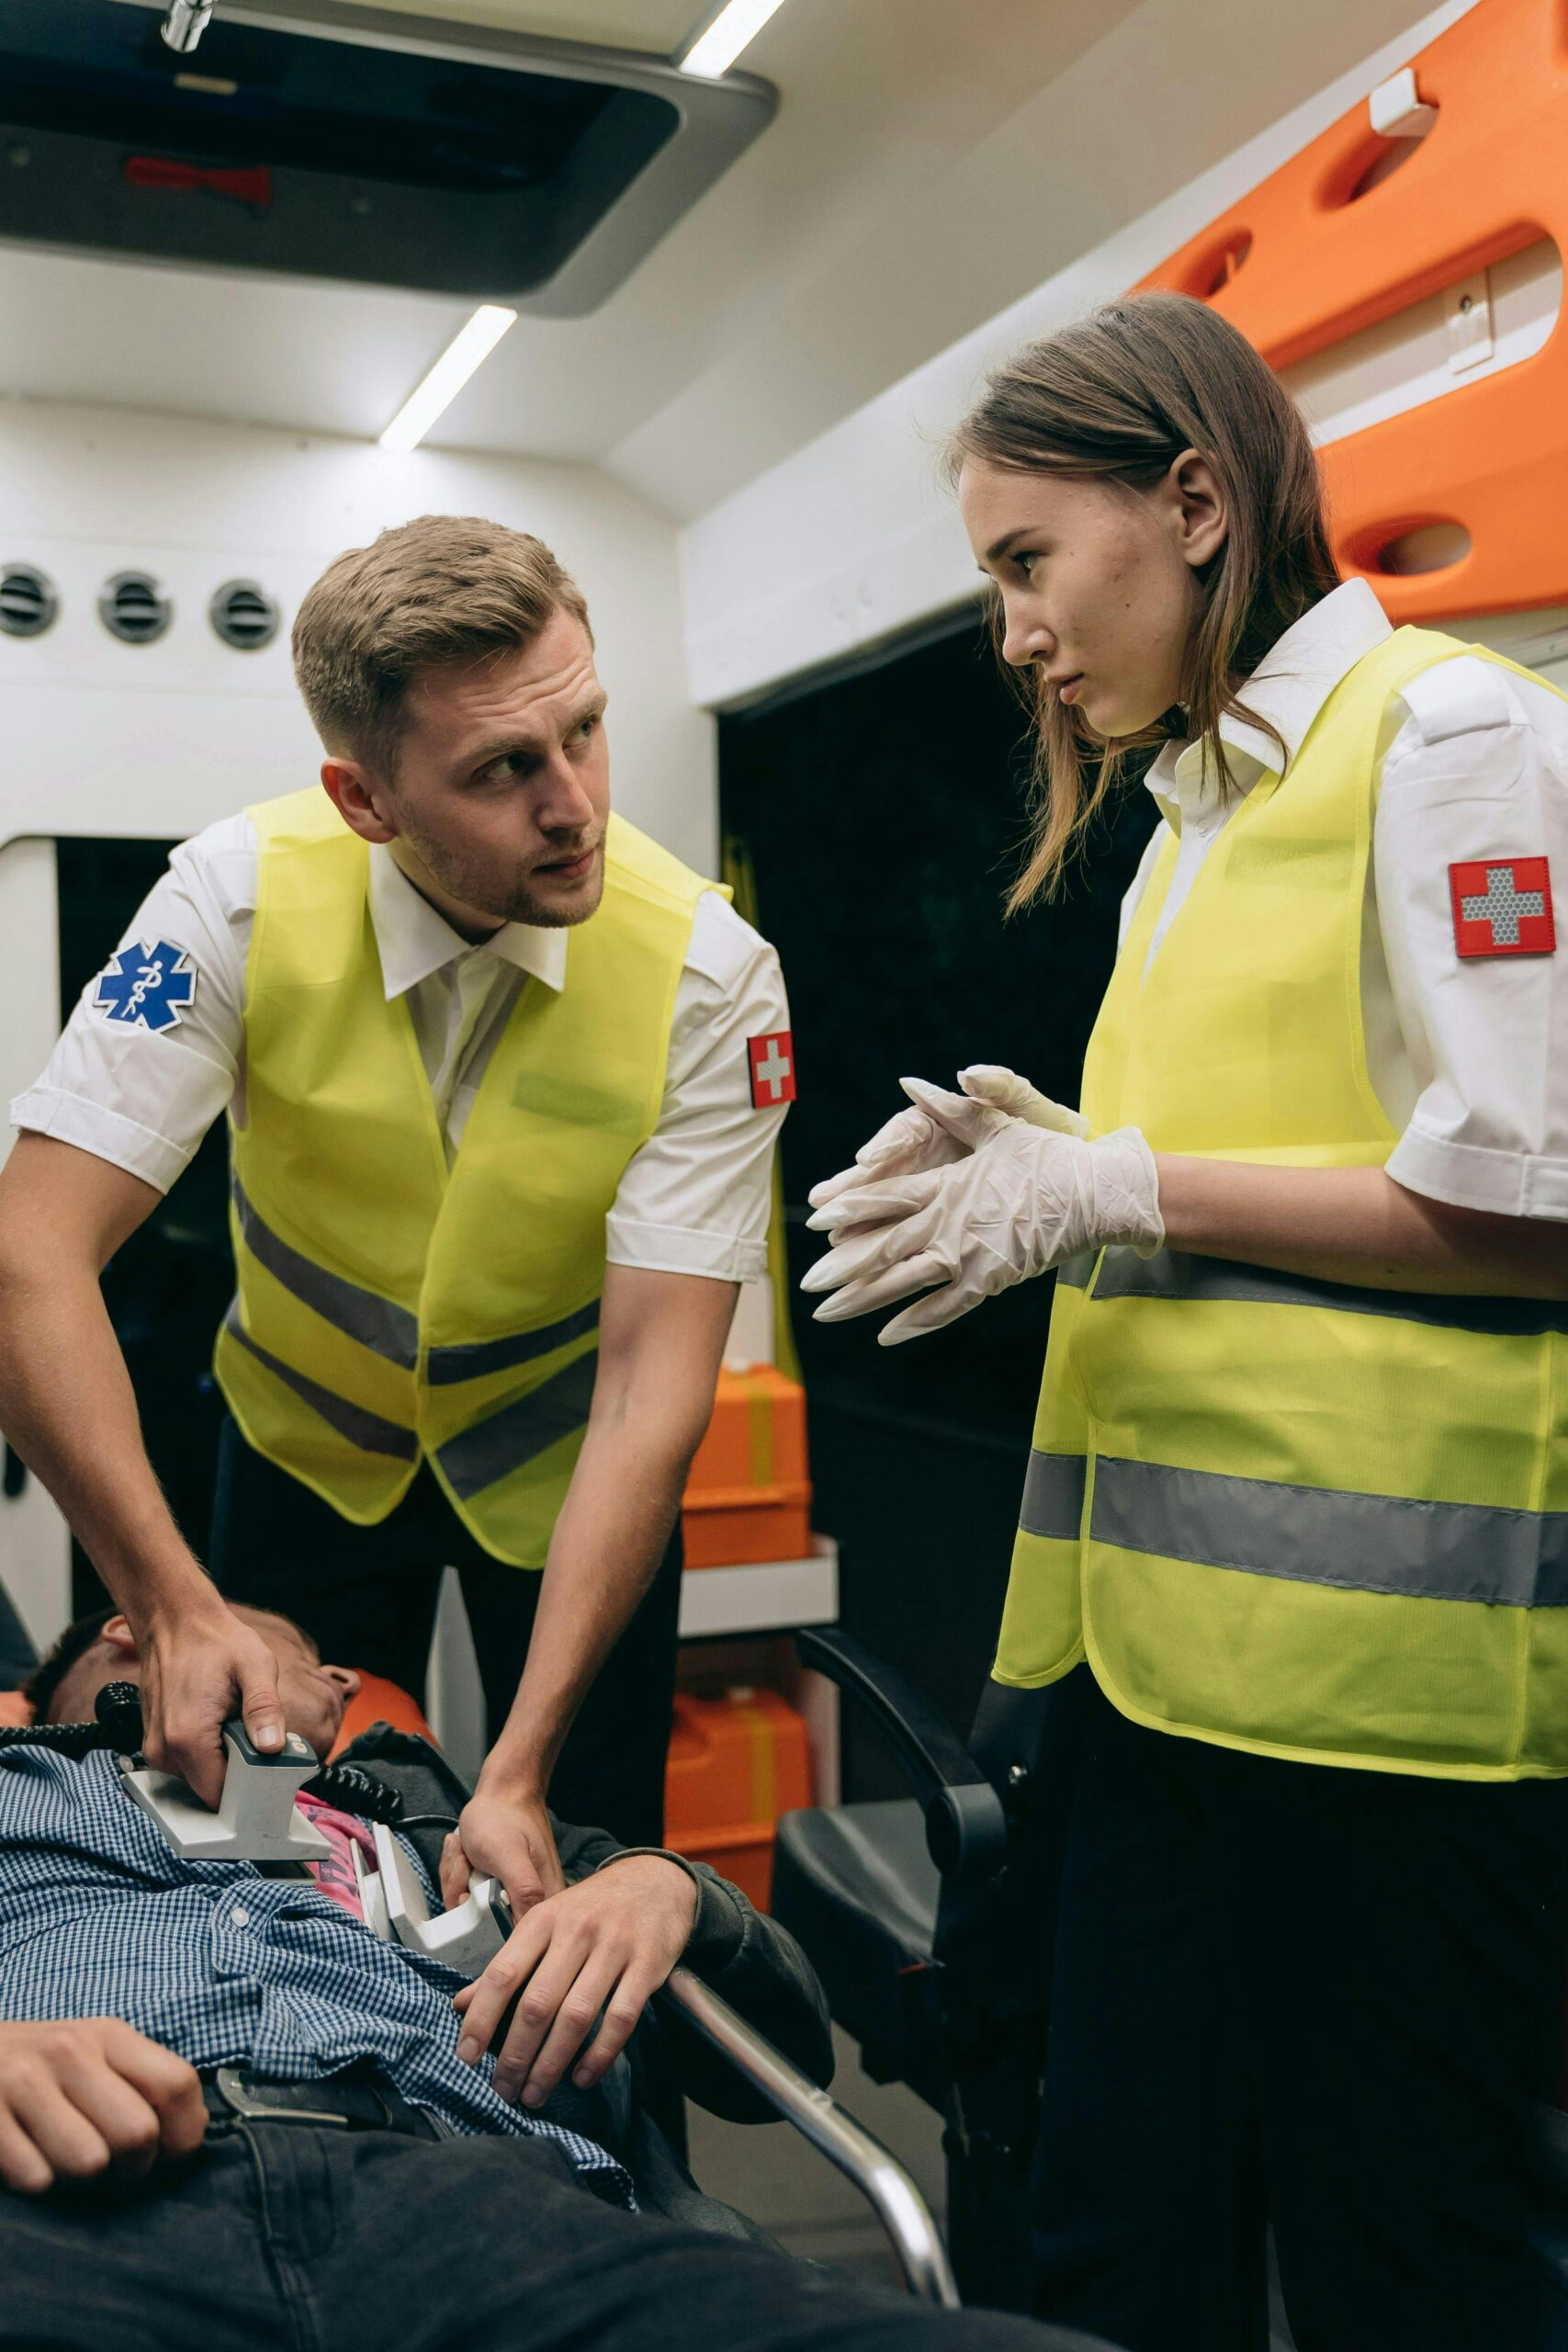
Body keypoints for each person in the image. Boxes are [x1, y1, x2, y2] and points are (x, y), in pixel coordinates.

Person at [802, 292, 1568, 2352]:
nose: (1014, 631)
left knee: (1410, 2264)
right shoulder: (1183, 823)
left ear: (1196, 499)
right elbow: (1282, 1155)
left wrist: (1122, 1184)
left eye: (1025, 563)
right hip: (1150, 1688)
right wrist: (1039, 1154)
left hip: (1379, 1716)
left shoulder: (1450, 736)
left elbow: (1537, 1200)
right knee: (1116, 2242)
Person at [0, 513, 795, 1919]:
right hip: (302, 1446)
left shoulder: (711, 977)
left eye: (587, 731)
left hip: (569, 1464)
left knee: (588, 1866)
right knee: (261, 1854)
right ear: (367, 800)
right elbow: (26, 1257)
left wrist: (522, 1765)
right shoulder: (228, 903)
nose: (576, 805)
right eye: (503, 768)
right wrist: (174, 1606)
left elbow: (649, 1390)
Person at [0, 1607, 1100, 2352]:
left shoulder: (454, 1817)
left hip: (482, 2209)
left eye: (339, 1673)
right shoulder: (17, 1783)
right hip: (82, 2200)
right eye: (301, 1651)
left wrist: (666, 1890)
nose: (336, 1681)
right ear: (138, 1630)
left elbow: (791, 2051)